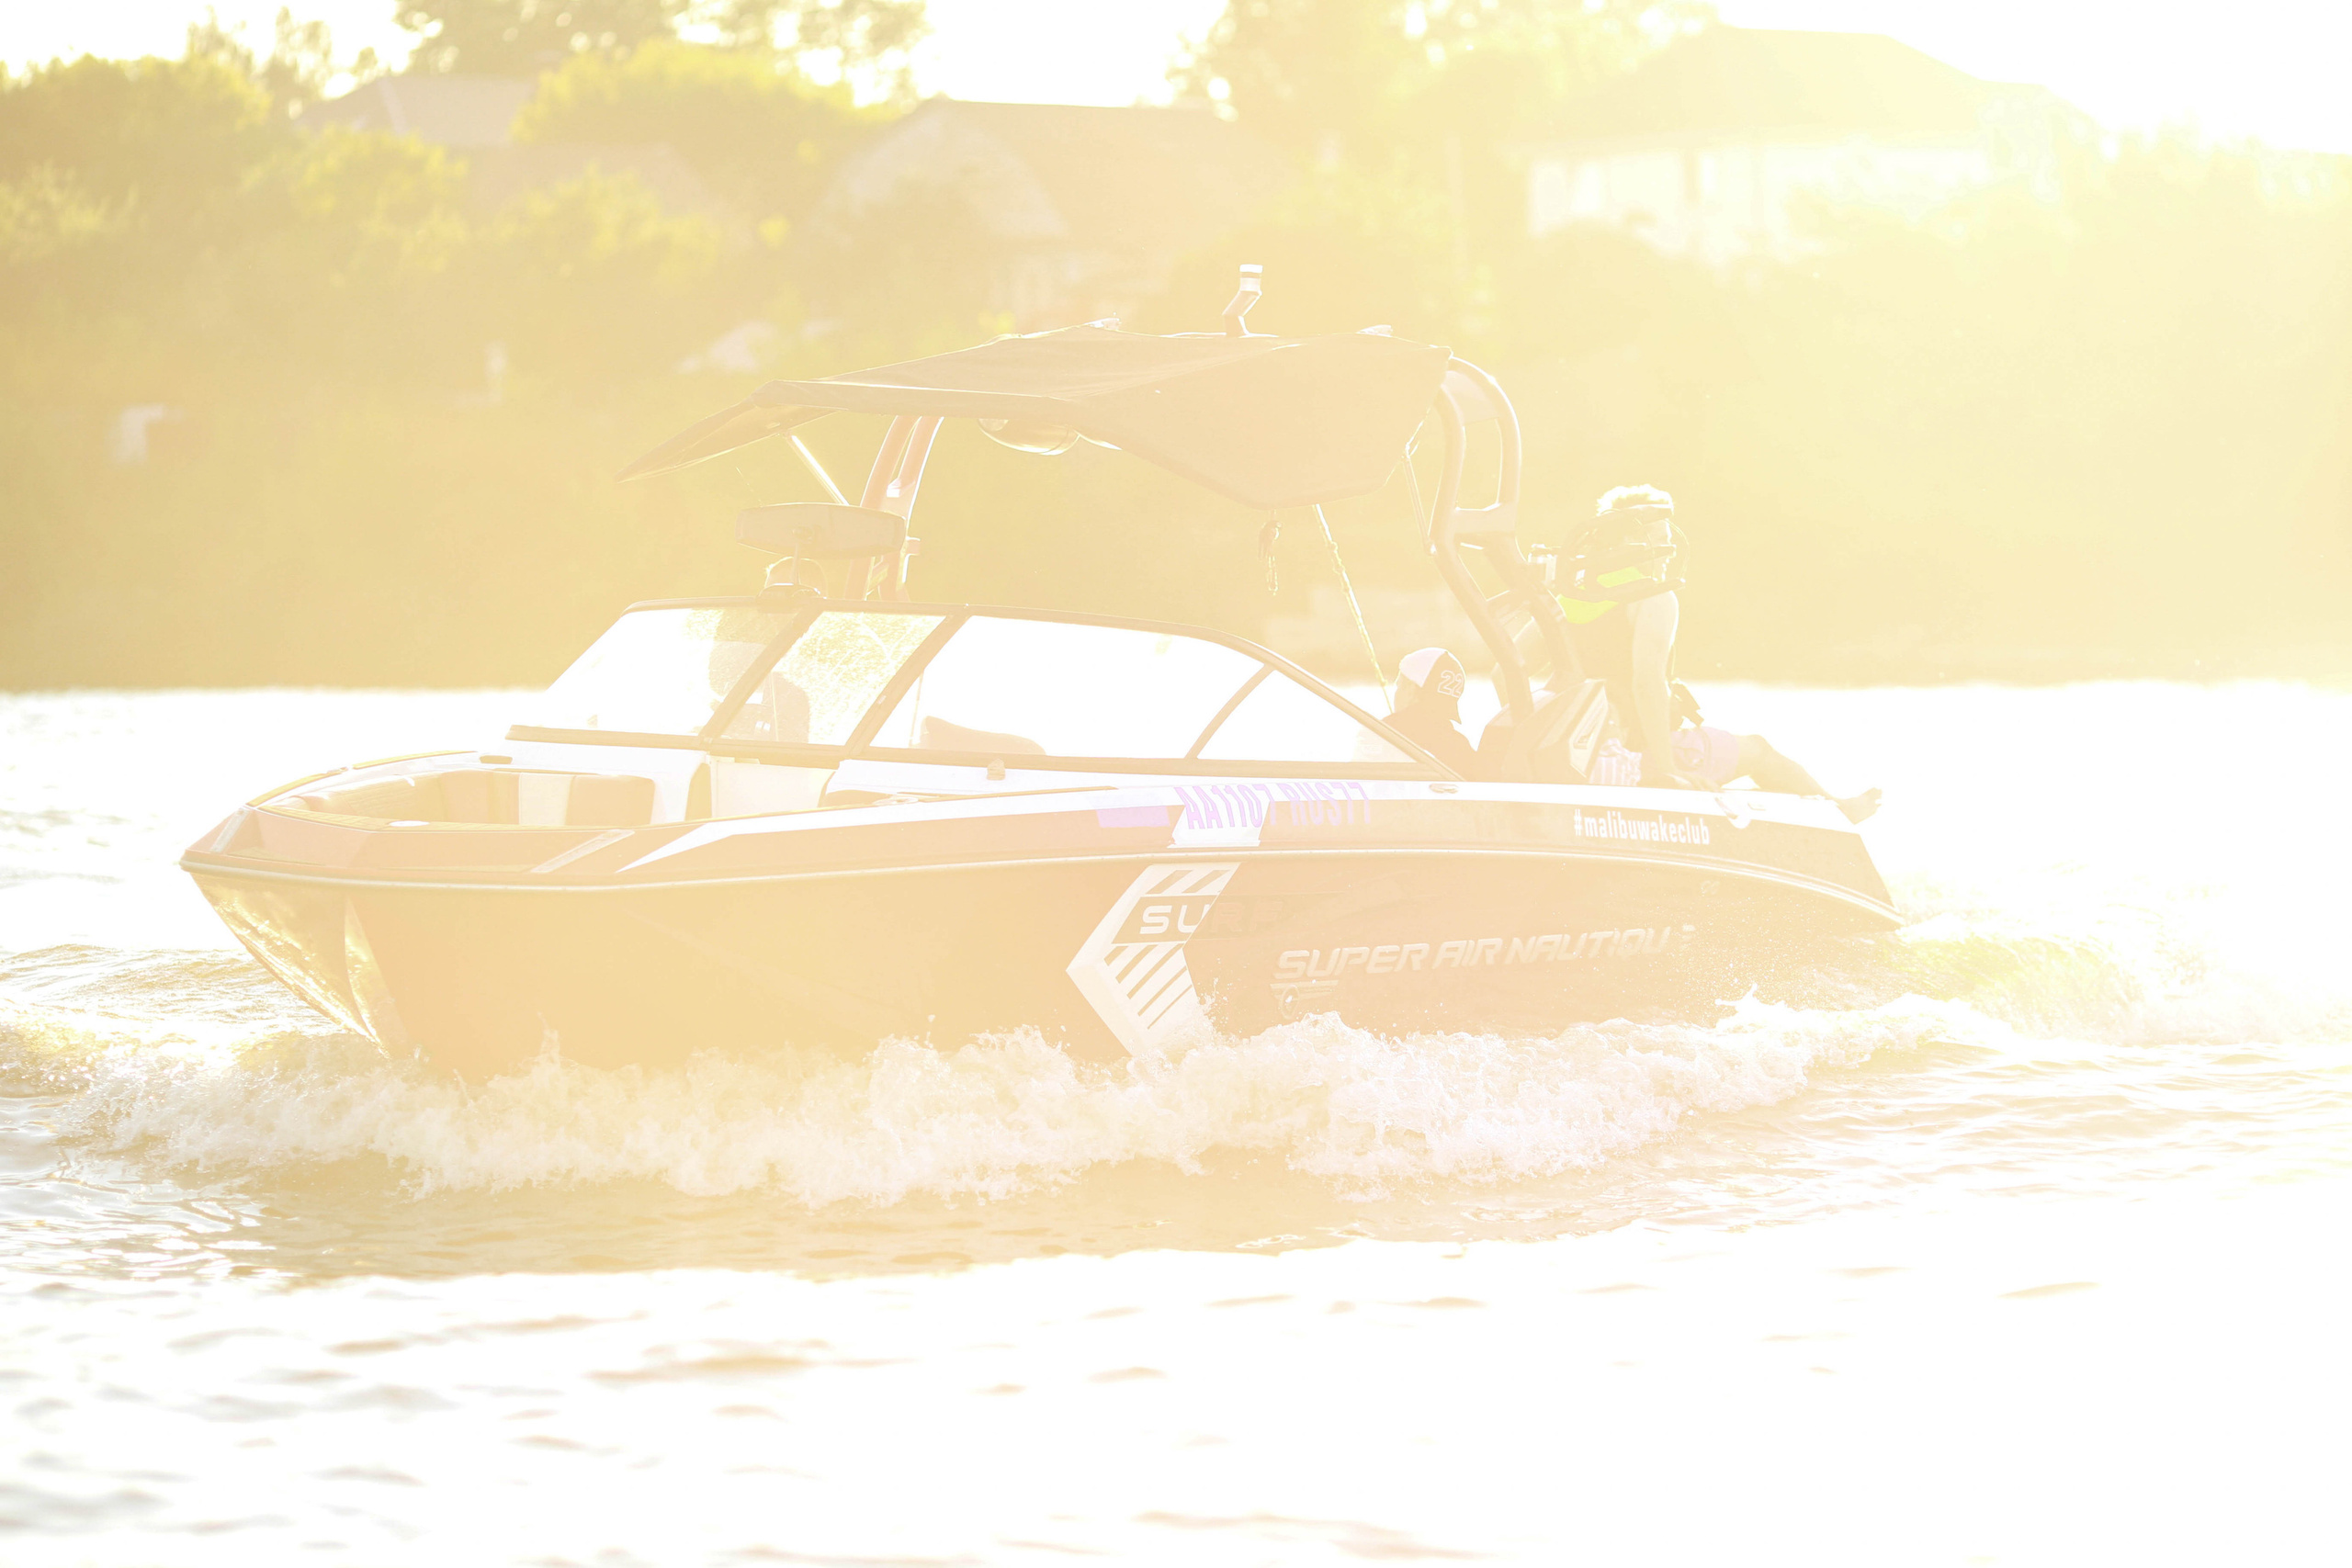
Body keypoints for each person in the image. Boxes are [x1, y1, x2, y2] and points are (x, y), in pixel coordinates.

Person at [1559, 485, 1881, 823]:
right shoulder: (1653, 597)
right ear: (1623, 543)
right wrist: (1668, 772)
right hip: (1638, 752)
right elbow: (1647, 685)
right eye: (1656, 537)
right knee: (1758, 751)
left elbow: (1517, 668)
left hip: (1581, 747)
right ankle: (1839, 810)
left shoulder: (1572, 594)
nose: (1667, 550)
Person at [1387, 647, 1480, 777]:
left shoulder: (1383, 733)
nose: (1396, 693)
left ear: (1411, 690)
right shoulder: (1461, 746)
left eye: (1398, 685)